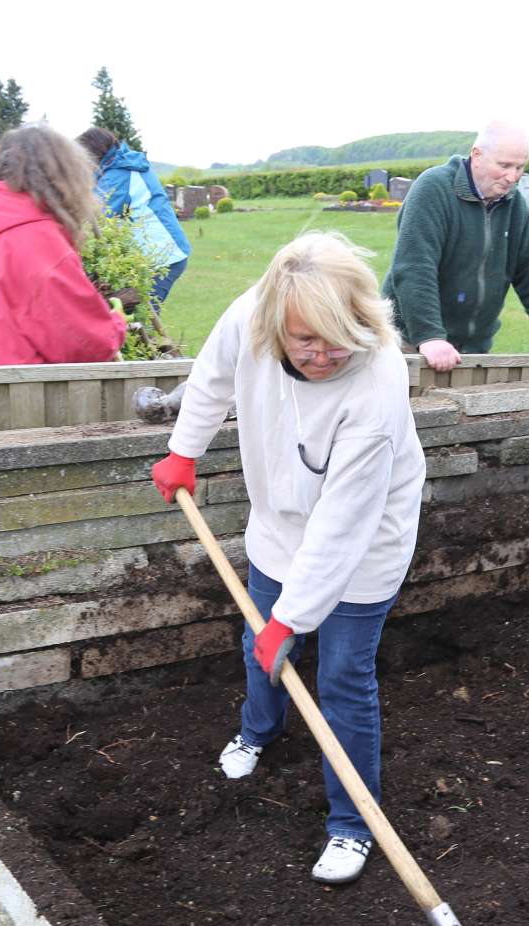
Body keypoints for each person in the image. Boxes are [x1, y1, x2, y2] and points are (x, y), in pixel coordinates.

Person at [151, 232, 425, 885]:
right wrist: (184, 449)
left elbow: (342, 524)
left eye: (339, 337)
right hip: (278, 522)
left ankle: (352, 826)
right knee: (260, 643)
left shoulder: (377, 384)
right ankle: (258, 731)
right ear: (275, 322)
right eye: (307, 340)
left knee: (343, 679)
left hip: (362, 544)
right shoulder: (250, 317)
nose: (324, 354)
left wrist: (294, 618)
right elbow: (213, 378)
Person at [381, 120, 529, 374]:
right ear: (477, 155)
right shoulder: (434, 189)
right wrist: (429, 337)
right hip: (407, 345)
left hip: (473, 351)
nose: (512, 176)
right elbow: (414, 267)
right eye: (504, 165)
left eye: (520, 167)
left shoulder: (513, 204)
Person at [0, 125, 125, 366]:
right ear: (63, 176)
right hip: (15, 395)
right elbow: (87, 345)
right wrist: (117, 323)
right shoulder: (38, 240)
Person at [77, 127, 191, 306]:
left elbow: (92, 217)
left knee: (138, 316)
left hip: (162, 259)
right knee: (130, 314)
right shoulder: (122, 166)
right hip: (159, 255)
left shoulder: (120, 174)